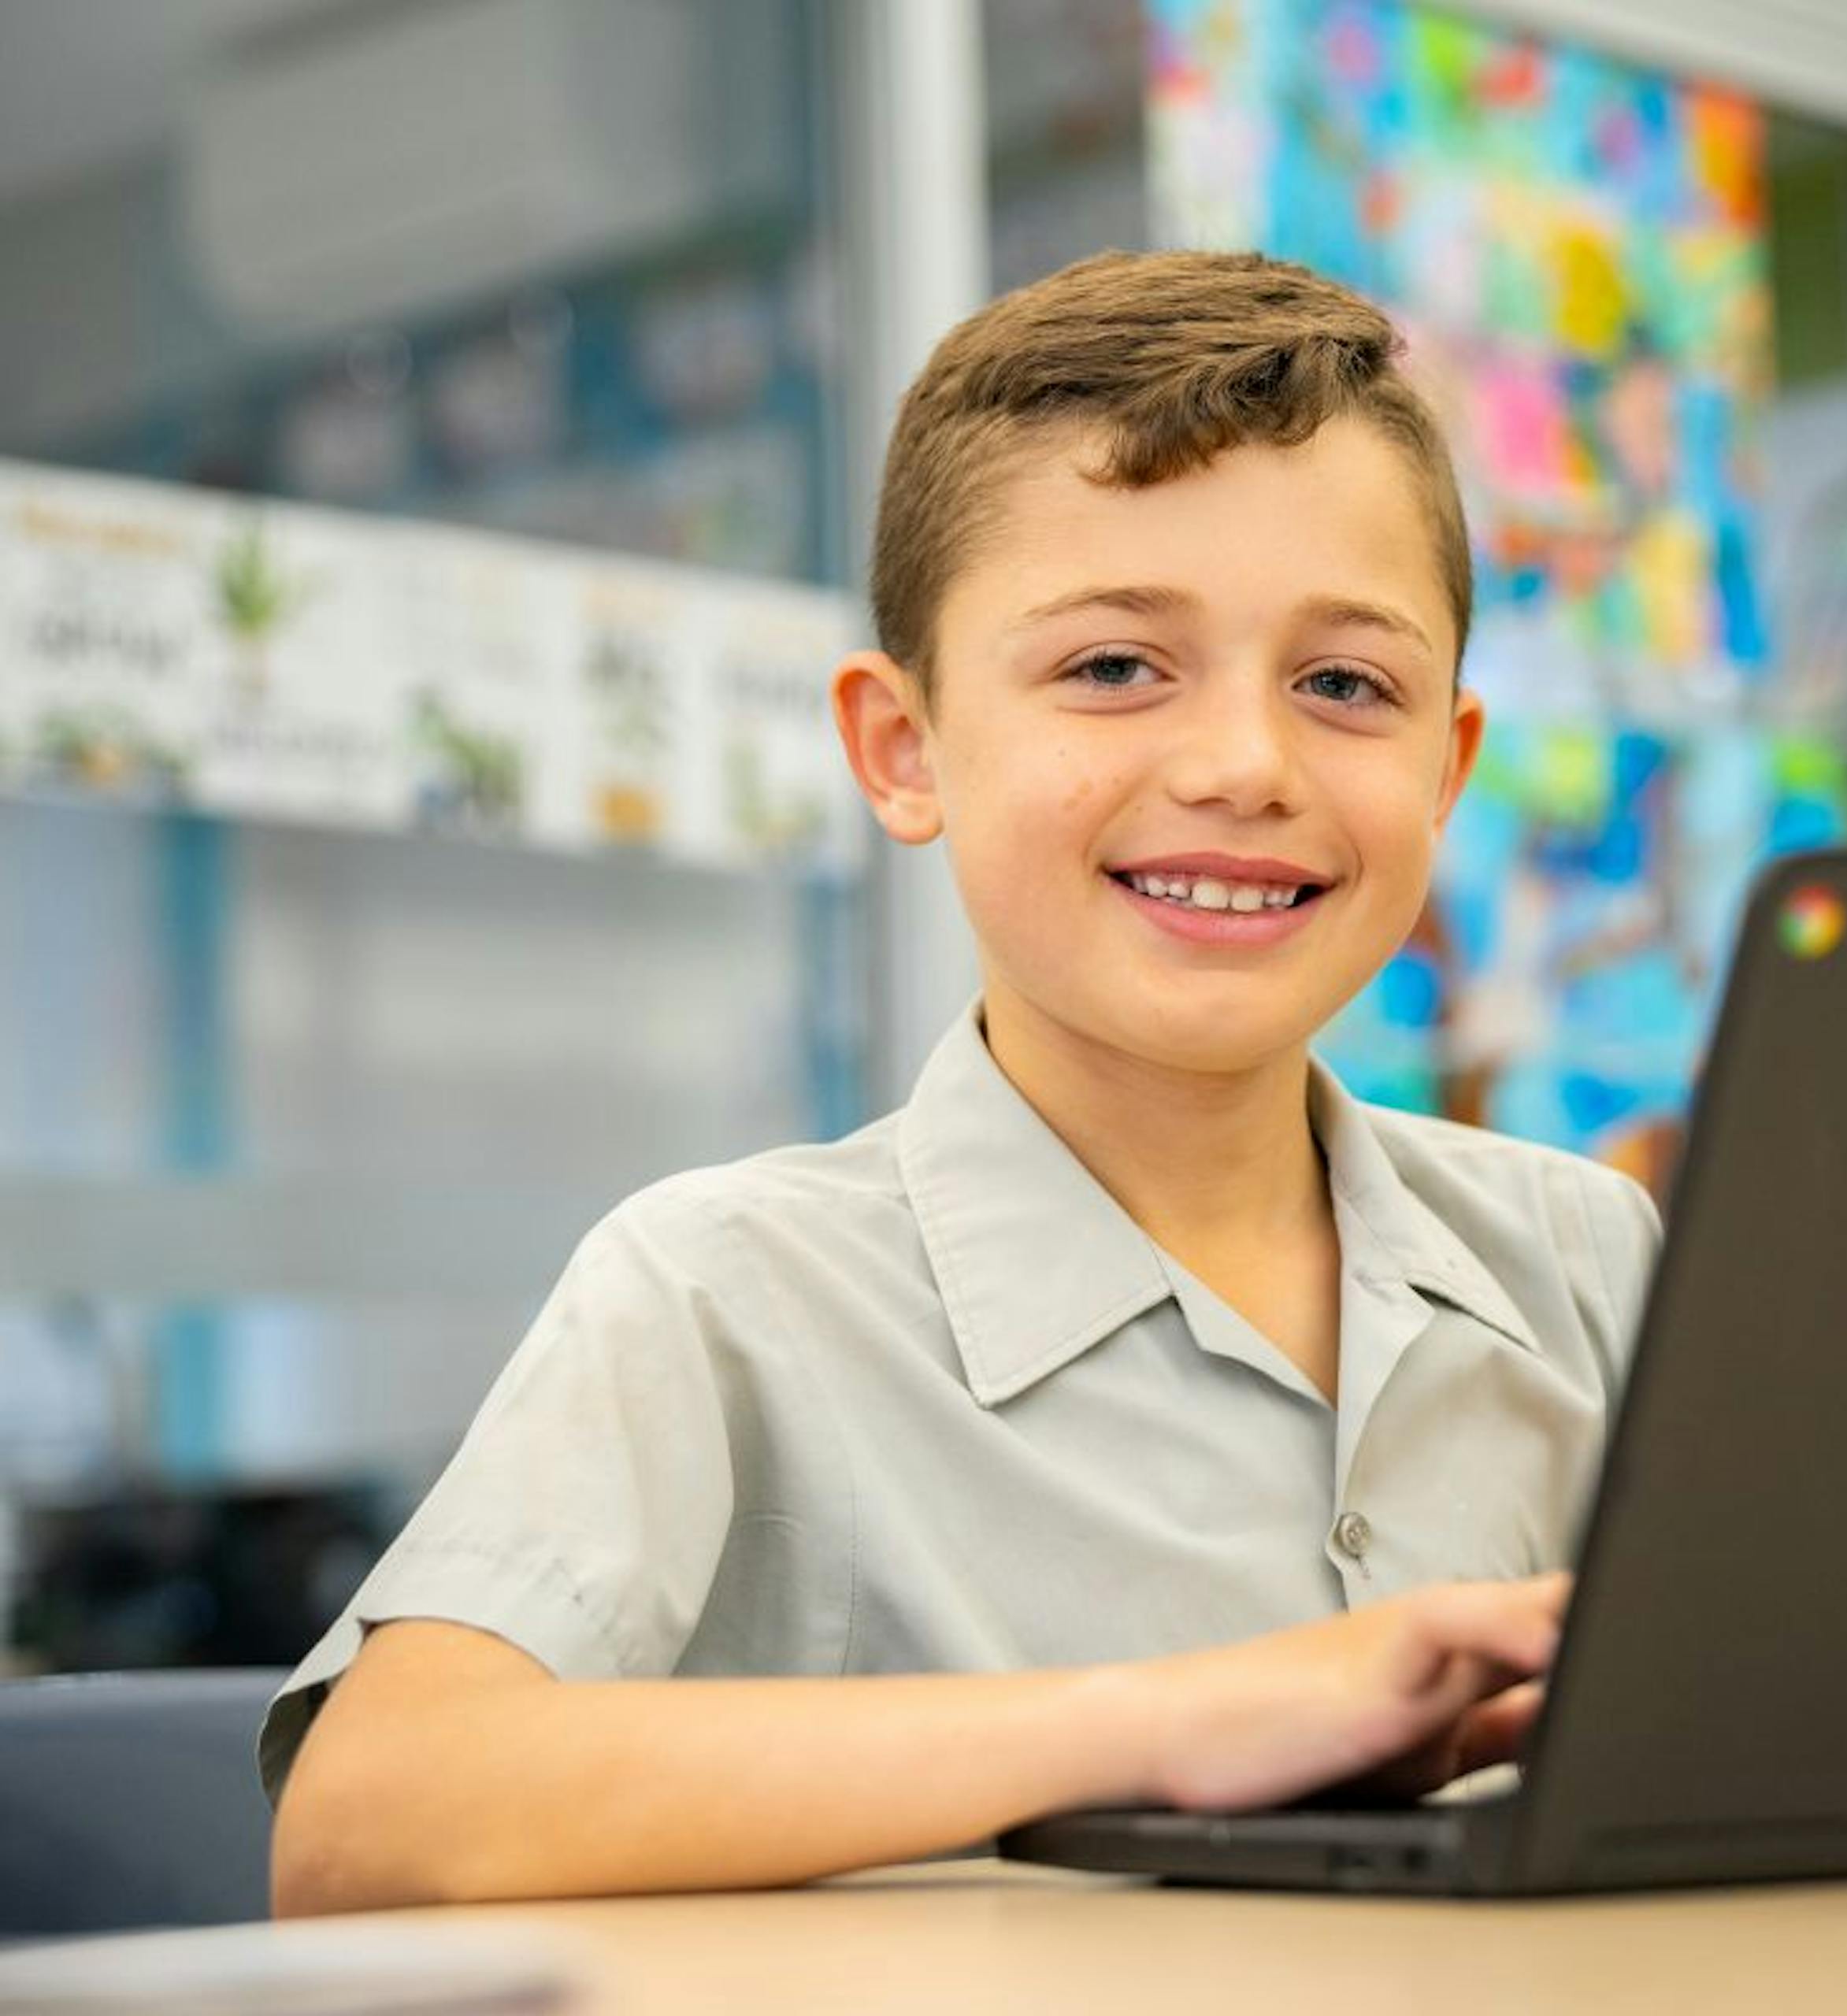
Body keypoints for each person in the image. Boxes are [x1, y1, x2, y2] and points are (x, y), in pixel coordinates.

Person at [265, 250, 1663, 1914]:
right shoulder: (728, 1285)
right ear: (903, 749)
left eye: (1344, 684)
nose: (1243, 764)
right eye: (1113, 667)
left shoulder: (1592, 1257)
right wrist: (1172, 1721)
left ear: (1447, 764)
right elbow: (368, 1825)